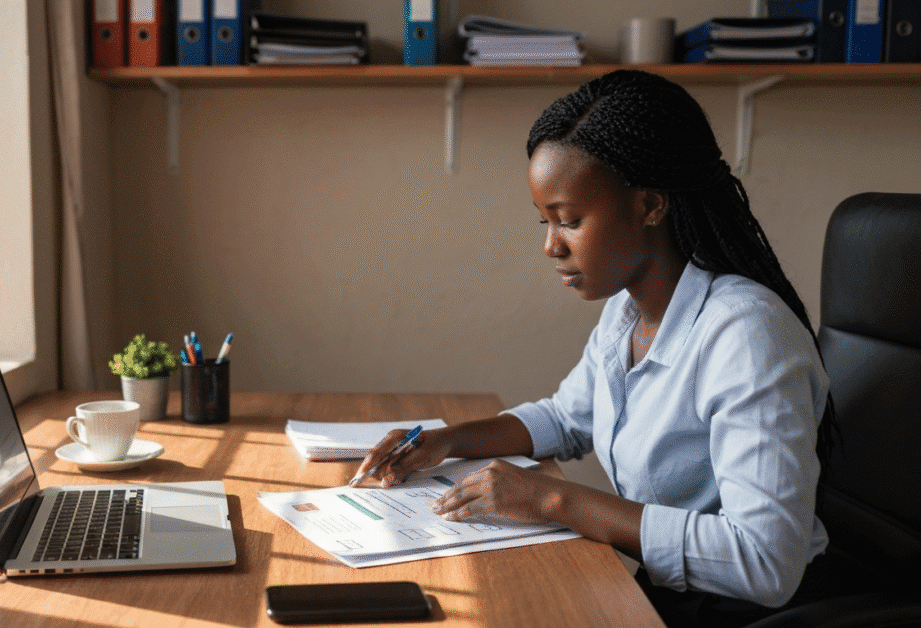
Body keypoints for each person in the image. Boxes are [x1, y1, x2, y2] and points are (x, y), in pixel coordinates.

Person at [352, 69, 838, 628]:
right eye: (545, 221)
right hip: (672, 594)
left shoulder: (746, 336)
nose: (550, 246)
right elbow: (566, 418)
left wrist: (552, 500)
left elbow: (765, 563)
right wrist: (446, 441)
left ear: (650, 205)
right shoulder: (628, 312)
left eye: (570, 221)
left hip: (747, 612)